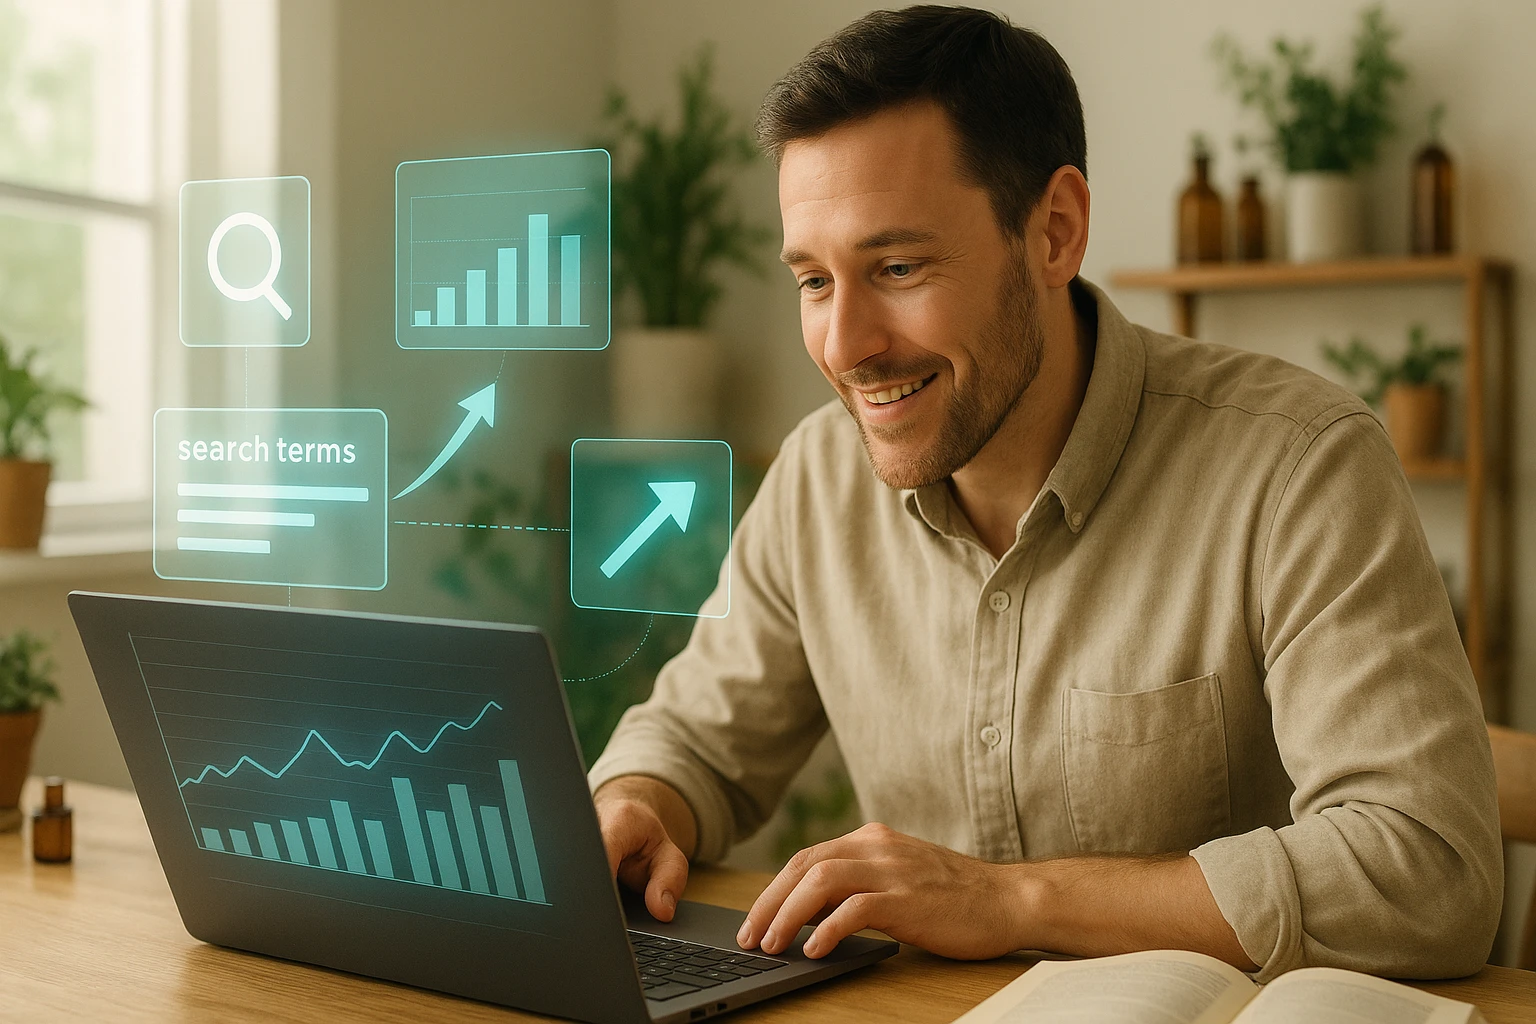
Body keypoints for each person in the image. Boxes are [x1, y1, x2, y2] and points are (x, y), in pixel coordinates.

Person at [588, 5, 1501, 982]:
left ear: (1054, 232)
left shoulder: (1298, 468)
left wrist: (1008, 898)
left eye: (897, 267)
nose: (844, 346)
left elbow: (1425, 873)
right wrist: (643, 797)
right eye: (814, 280)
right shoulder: (817, 480)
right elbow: (695, 739)